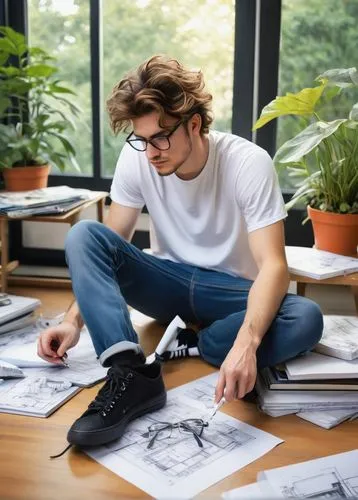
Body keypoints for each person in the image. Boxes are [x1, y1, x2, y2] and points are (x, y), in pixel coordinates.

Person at [38, 55, 323, 448]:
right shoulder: (139, 158)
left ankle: (197, 345)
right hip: (166, 285)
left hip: (228, 294)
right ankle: (130, 373)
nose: (151, 152)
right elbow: (106, 245)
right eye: (141, 139)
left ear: (194, 123)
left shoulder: (247, 163)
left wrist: (245, 345)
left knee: (305, 316)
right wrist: (72, 321)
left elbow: (273, 267)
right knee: (85, 234)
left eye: (161, 137)